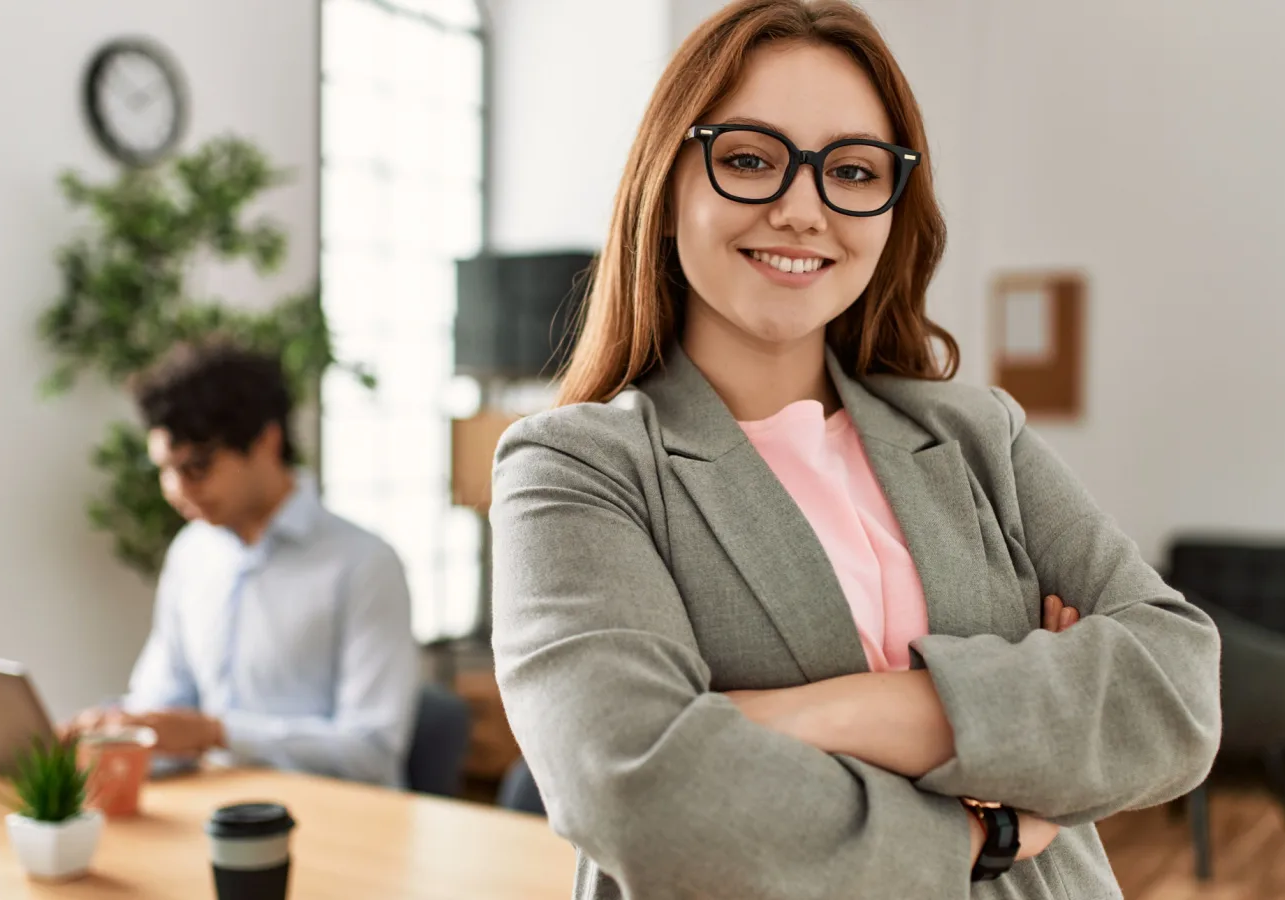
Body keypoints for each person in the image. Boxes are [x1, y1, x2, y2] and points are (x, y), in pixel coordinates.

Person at [488, 1, 1222, 897]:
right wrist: (989, 812)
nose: (803, 210)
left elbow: (1177, 692)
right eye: (750, 159)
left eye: (853, 170)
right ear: (666, 189)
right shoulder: (575, 468)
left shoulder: (976, 433)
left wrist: (822, 713)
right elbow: (639, 790)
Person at [70, 339, 420, 788]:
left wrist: (217, 733)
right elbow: (162, 698)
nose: (175, 490)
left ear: (266, 442)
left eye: (196, 467)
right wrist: (118, 728)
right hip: (212, 810)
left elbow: (373, 752)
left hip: (339, 824)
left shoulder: (364, 564)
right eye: (164, 469)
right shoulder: (191, 553)